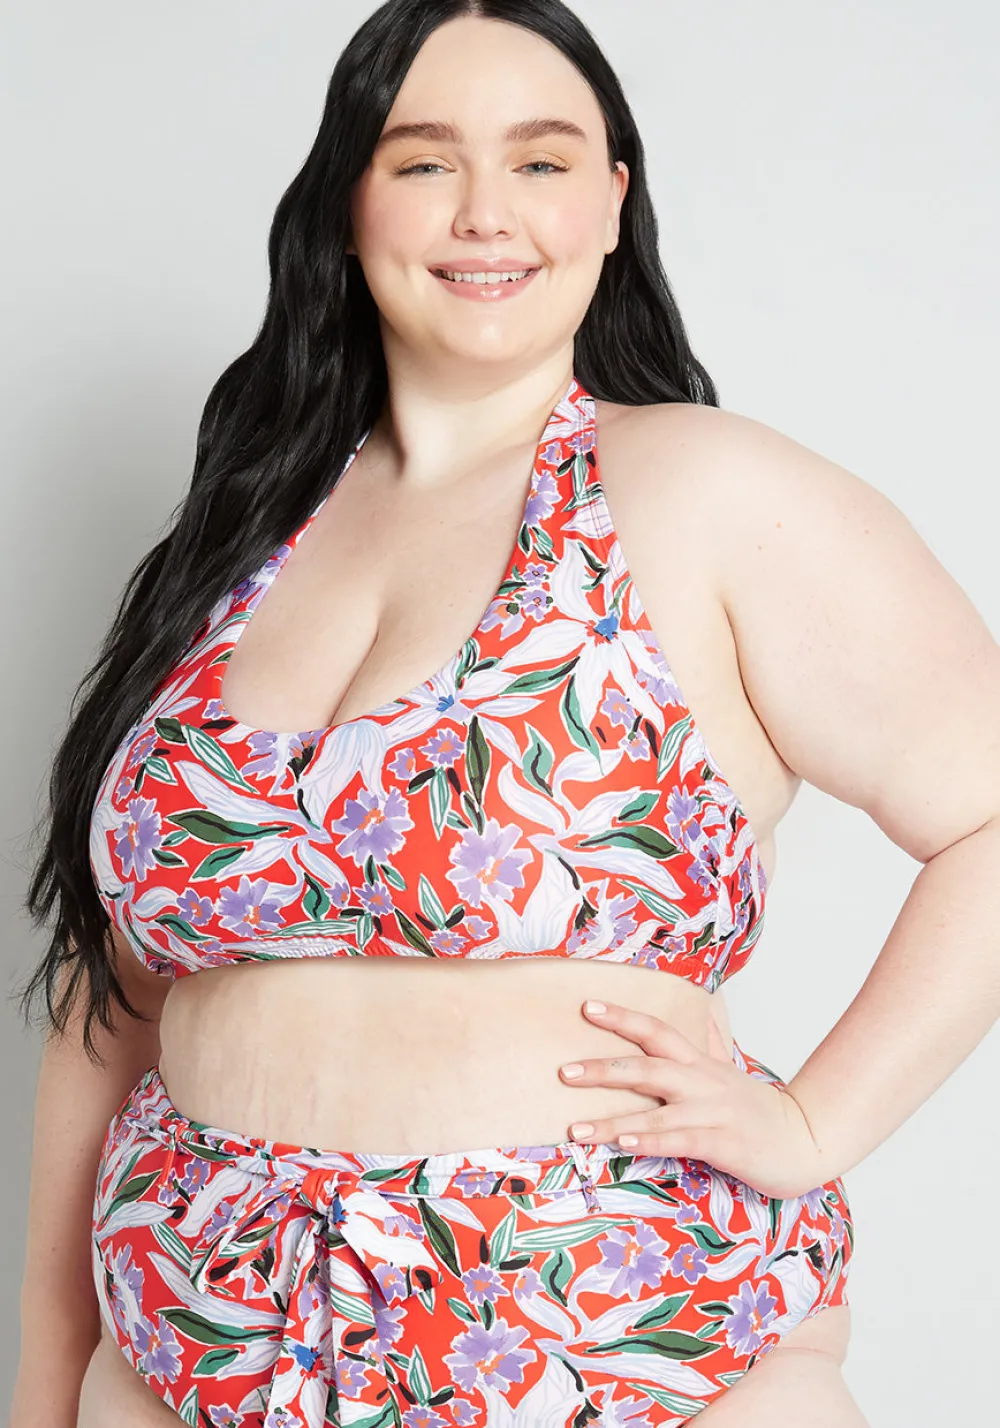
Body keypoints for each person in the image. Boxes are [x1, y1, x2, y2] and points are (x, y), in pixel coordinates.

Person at [11, 2, 1000, 1425]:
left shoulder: (706, 491)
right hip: (193, 1358)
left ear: (614, 201)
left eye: (541, 161)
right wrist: (44, 1377)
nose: (485, 210)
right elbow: (113, 994)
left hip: (629, 1360)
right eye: (424, 161)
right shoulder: (236, 542)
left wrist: (809, 1123)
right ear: (349, 200)